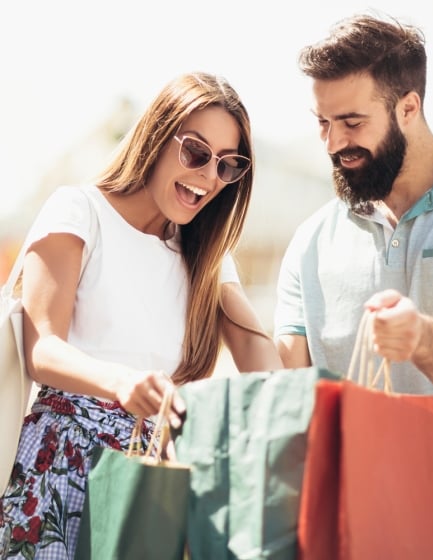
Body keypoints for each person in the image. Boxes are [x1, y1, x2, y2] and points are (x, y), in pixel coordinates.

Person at [0, 71, 283, 559]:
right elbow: (42, 347)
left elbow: (258, 353)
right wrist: (121, 384)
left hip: (147, 478)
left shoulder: (207, 257)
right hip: (59, 465)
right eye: (196, 152)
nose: (207, 177)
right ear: (157, 136)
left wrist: (318, 410)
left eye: (227, 166)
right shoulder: (80, 210)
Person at [274, 13, 433, 559]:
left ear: (409, 107)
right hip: (354, 524)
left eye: (351, 122)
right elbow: (293, 395)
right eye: (323, 123)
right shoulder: (310, 241)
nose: (333, 143)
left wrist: (420, 337)